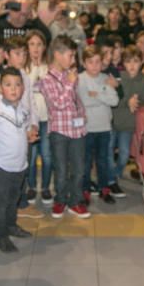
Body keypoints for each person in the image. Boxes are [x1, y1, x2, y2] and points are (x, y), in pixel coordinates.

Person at [0, 67, 37, 253]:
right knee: (1, 202)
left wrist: (29, 135)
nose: (13, 89)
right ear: (0, 89)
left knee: (14, 199)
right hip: (2, 167)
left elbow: (22, 132)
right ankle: (1, 235)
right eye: (8, 85)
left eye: (17, 85)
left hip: (20, 166)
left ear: (22, 88)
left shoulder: (23, 111)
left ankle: (11, 225)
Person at [38, 35, 89, 219]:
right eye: (70, 56)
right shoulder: (46, 79)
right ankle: (60, 199)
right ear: (58, 55)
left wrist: (82, 113)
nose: (73, 60)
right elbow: (57, 104)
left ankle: (75, 201)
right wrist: (69, 82)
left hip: (77, 129)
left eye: (74, 56)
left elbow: (74, 98)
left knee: (79, 168)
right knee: (60, 169)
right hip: (59, 131)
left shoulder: (70, 75)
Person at [77, 45, 119, 205]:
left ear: (102, 63)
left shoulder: (106, 78)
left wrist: (97, 94)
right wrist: (103, 95)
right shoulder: (80, 79)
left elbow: (114, 101)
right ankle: (86, 190)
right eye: (90, 62)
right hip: (87, 128)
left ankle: (104, 189)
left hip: (104, 128)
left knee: (102, 161)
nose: (94, 66)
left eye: (97, 62)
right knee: (86, 161)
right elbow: (84, 100)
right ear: (84, 63)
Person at [109, 45, 144, 195]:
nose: (132, 65)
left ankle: (114, 174)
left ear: (141, 62)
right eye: (128, 61)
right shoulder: (120, 77)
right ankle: (111, 179)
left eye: (136, 61)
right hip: (113, 120)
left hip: (128, 124)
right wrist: (128, 101)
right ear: (123, 63)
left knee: (124, 154)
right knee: (108, 150)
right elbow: (115, 99)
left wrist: (136, 100)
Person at [24, 30, 53, 206]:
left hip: (47, 118)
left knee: (47, 155)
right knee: (32, 156)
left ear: (44, 47)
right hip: (30, 119)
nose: (35, 48)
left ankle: (46, 187)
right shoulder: (23, 68)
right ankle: (32, 187)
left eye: (39, 44)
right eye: (32, 44)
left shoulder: (50, 67)